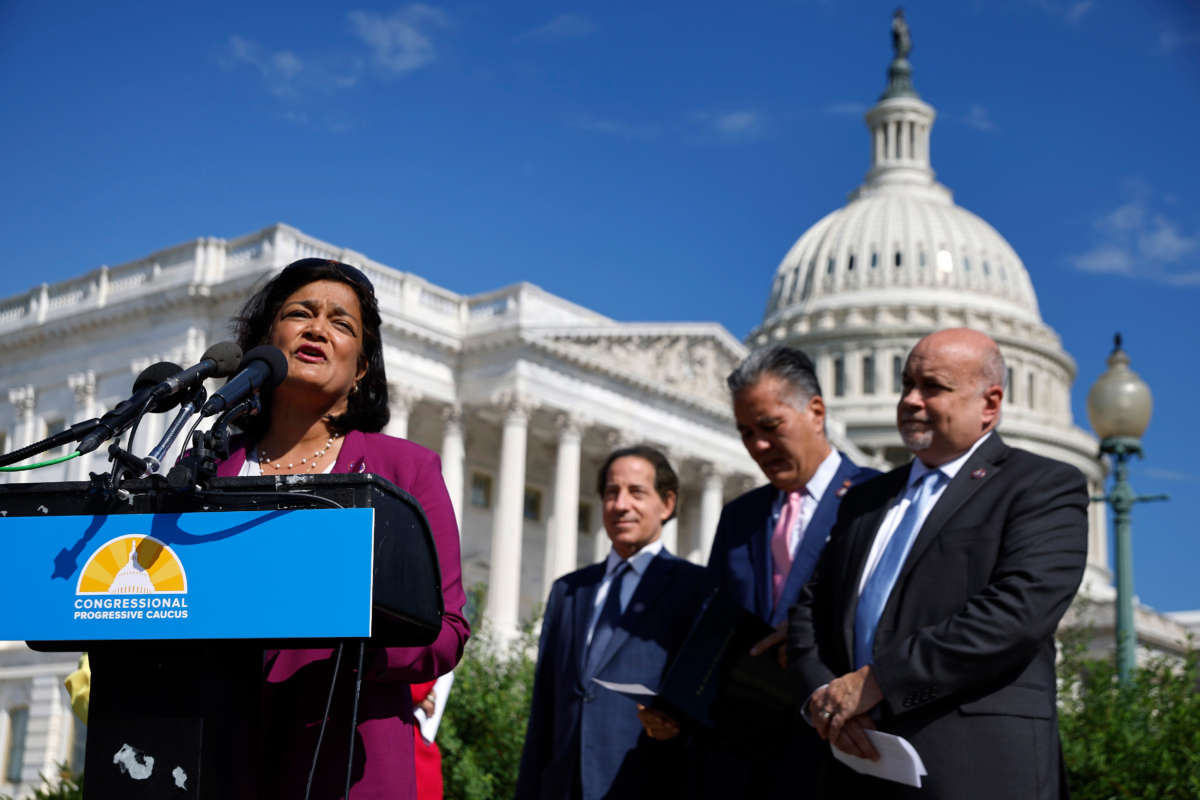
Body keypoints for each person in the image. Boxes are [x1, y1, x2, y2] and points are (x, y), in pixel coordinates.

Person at [788, 328, 1088, 799]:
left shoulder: (1041, 486)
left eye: (933, 387)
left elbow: (1017, 613)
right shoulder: (865, 499)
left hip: (977, 768)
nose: (910, 399)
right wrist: (824, 700)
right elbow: (809, 609)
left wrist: (879, 681)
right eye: (906, 384)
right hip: (856, 764)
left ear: (990, 404)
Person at [214, 257, 470, 799]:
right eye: (299, 314)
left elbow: (448, 630)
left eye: (341, 323)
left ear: (360, 370)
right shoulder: (209, 469)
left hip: (350, 755)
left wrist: (354, 647)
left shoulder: (404, 471)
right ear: (265, 342)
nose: (317, 329)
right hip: (217, 753)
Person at [693, 345, 876, 796]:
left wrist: (806, 634)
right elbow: (714, 622)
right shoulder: (740, 516)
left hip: (839, 751)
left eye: (771, 427)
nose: (758, 445)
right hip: (743, 755)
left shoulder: (876, 500)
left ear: (816, 412)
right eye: (746, 433)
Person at [516, 446, 716, 800]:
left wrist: (676, 728)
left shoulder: (698, 589)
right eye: (611, 492)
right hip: (562, 786)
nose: (621, 504)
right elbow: (544, 710)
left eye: (636, 492)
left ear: (667, 505)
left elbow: (712, 706)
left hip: (649, 782)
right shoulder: (570, 590)